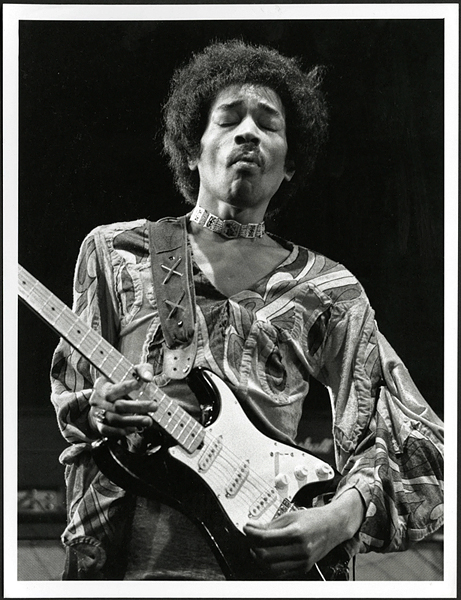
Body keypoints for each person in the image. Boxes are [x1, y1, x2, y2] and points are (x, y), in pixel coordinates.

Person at [51, 40, 444, 581]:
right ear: (193, 147)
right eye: (228, 118)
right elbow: (75, 399)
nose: (248, 133)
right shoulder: (116, 252)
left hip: (272, 572)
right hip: (135, 568)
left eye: (269, 124)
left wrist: (335, 520)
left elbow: (411, 434)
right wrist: (98, 409)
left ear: (289, 165)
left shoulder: (329, 288)